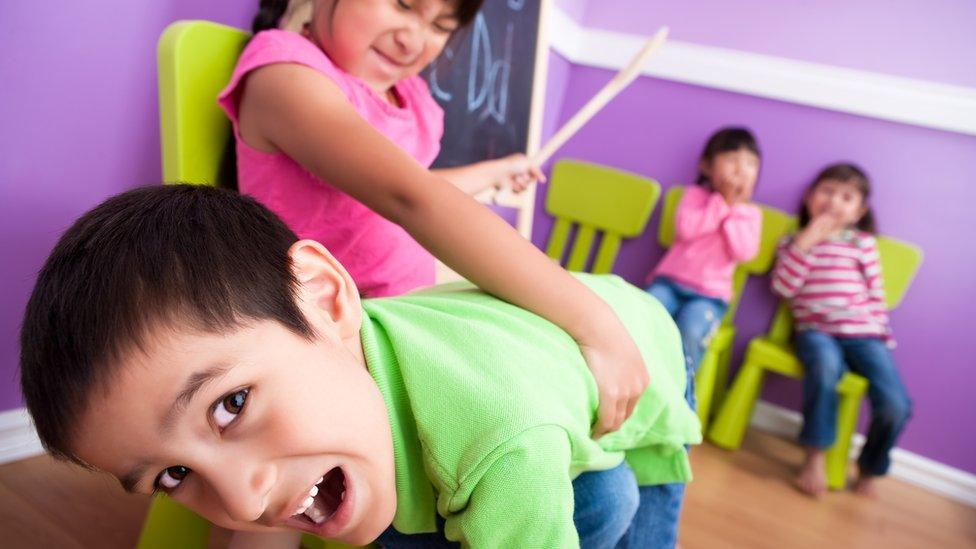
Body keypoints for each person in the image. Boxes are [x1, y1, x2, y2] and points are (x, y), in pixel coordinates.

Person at [20, 185, 702, 548]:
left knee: (623, 507)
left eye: (229, 405)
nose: (241, 500)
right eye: (174, 474)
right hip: (502, 349)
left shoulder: (504, 445)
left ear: (323, 295)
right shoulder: (312, 361)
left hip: (639, 347)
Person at [219, 0, 648, 457]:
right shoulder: (286, 75)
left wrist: (494, 171)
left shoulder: (407, 98)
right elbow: (408, 197)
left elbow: (392, 193)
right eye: (403, 5)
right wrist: (595, 321)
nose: (413, 39)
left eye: (441, 26)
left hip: (406, 320)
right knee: (588, 476)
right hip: (332, 343)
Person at [771, 163, 912, 497]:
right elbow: (783, 288)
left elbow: (876, 294)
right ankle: (815, 456)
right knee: (824, 368)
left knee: (896, 404)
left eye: (846, 197)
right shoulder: (793, 241)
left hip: (865, 335)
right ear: (809, 197)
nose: (834, 202)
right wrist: (806, 241)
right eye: (827, 191)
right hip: (816, 332)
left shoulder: (861, 243)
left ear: (858, 211)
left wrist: (881, 335)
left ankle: (870, 466)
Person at [645, 127, 763, 405]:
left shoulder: (750, 214)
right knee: (647, 312)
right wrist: (720, 204)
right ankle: (636, 378)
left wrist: (733, 208)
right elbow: (688, 230)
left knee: (691, 330)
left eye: (750, 163)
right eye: (732, 160)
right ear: (707, 165)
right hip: (668, 284)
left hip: (709, 297)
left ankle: (676, 399)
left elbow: (743, 252)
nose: (741, 170)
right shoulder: (694, 197)